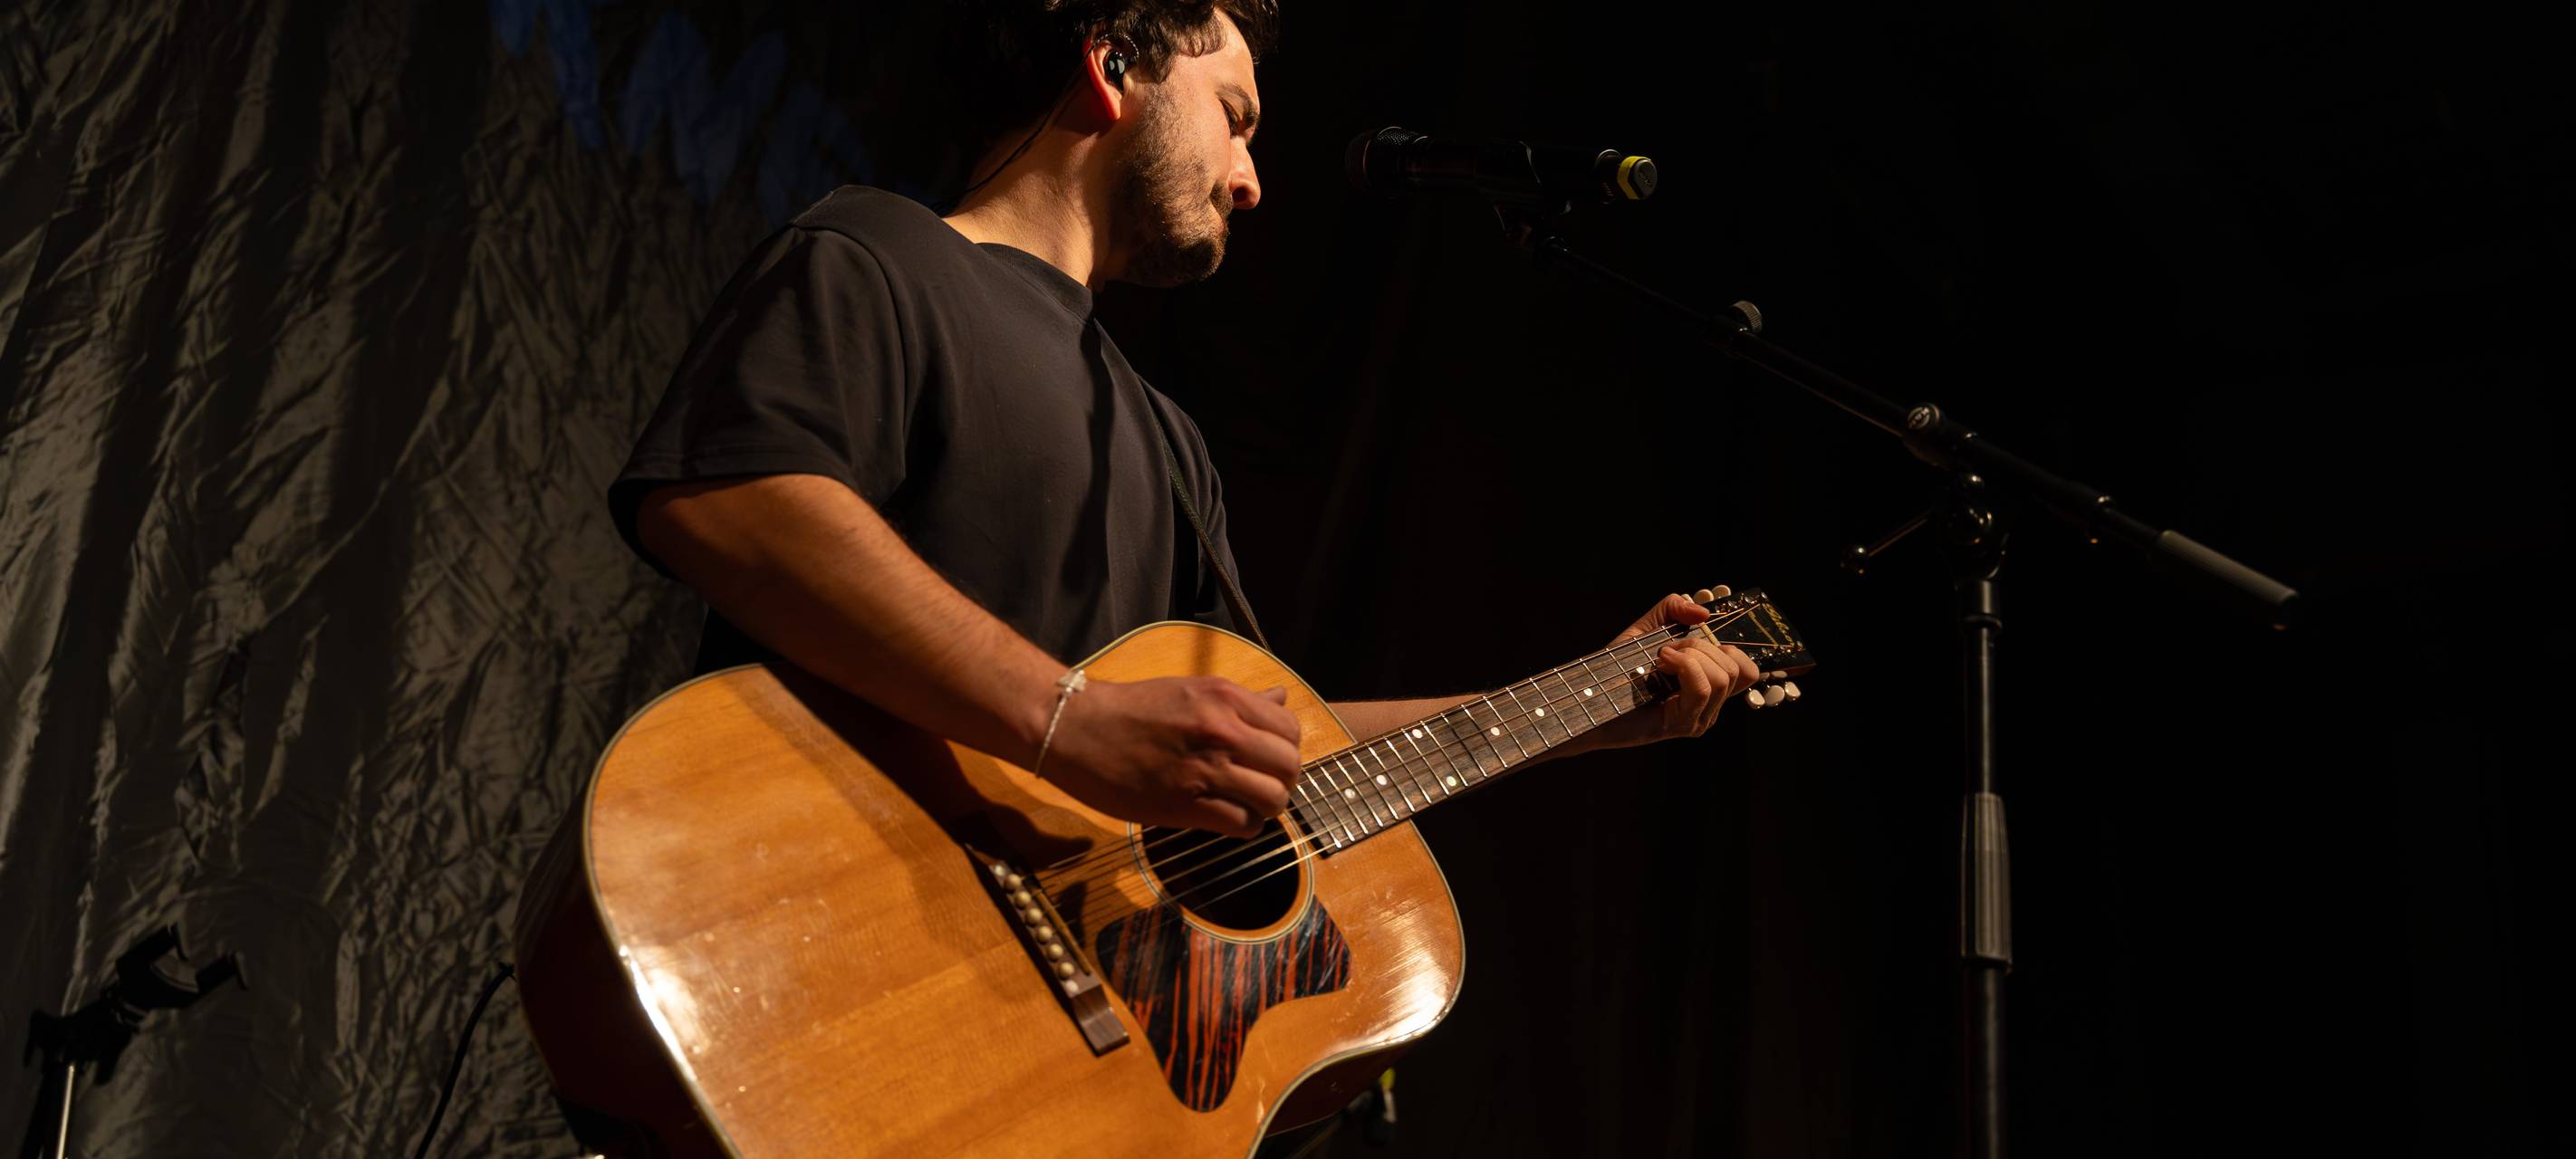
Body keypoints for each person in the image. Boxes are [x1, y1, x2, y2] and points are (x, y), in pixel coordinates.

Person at [608, 0, 1759, 841]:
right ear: (1114, 68)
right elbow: (727, 498)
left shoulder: (1164, 439)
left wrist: (1586, 709)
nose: (1252, 179)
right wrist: (1070, 720)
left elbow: (1266, 745)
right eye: (1237, 117)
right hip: (816, 905)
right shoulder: (878, 254)